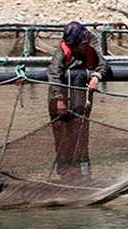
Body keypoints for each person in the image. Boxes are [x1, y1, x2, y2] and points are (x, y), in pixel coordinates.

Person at [46, 22, 111, 181]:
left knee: (81, 136)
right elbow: (53, 75)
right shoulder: (61, 54)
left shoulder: (89, 52)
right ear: (73, 44)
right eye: (82, 44)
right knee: (63, 139)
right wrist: (60, 100)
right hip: (59, 102)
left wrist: (96, 76)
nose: (86, 46)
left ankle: (84, 174)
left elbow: (104, 65)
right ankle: (66, 175)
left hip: (80, 102)